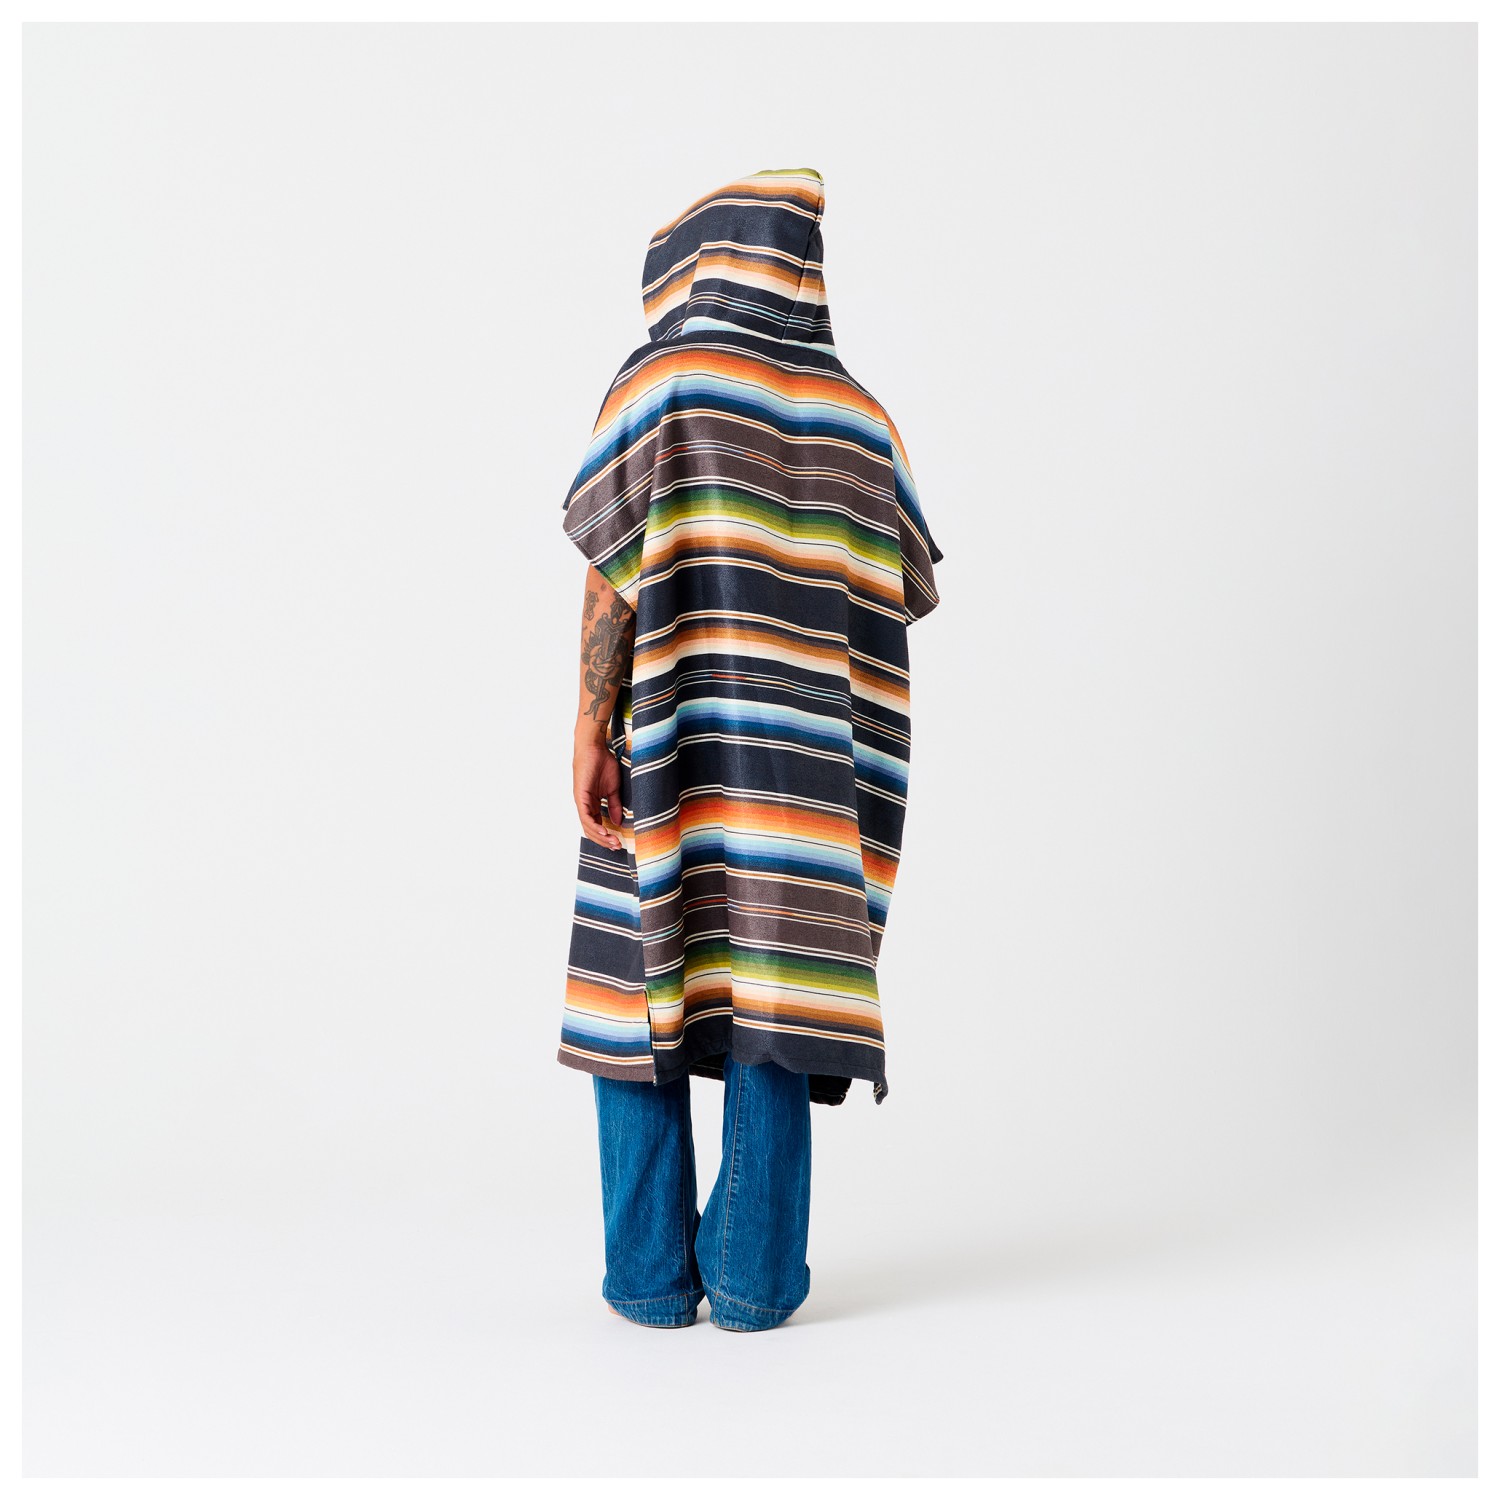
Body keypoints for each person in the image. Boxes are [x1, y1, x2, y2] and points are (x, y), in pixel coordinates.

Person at [557, 168, 942, 1331]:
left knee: (638, 970)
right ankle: (757, 1280)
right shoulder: (863, 416)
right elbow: (896, 592)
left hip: (676, 735)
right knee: (782, 975)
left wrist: (590, 722)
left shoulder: (661, 381)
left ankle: (647, 1277)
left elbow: (612, 566)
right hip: (816, 774)